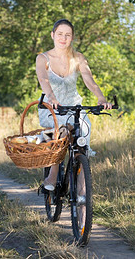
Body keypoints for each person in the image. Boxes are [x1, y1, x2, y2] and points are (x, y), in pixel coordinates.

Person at [36, 19, 112, 191]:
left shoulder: (78, 58)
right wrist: (52, 97)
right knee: (60, 133)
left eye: (67, 35)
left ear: (72, 38)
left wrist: (100, 97)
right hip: (52, 107)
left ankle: (81, 188)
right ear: (53, 35)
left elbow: (89, 80)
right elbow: (43, 79)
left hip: (74, 106)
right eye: (60, 34)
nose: (63, 38)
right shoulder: (43, 58)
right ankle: (53, 173)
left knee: (81, 139)